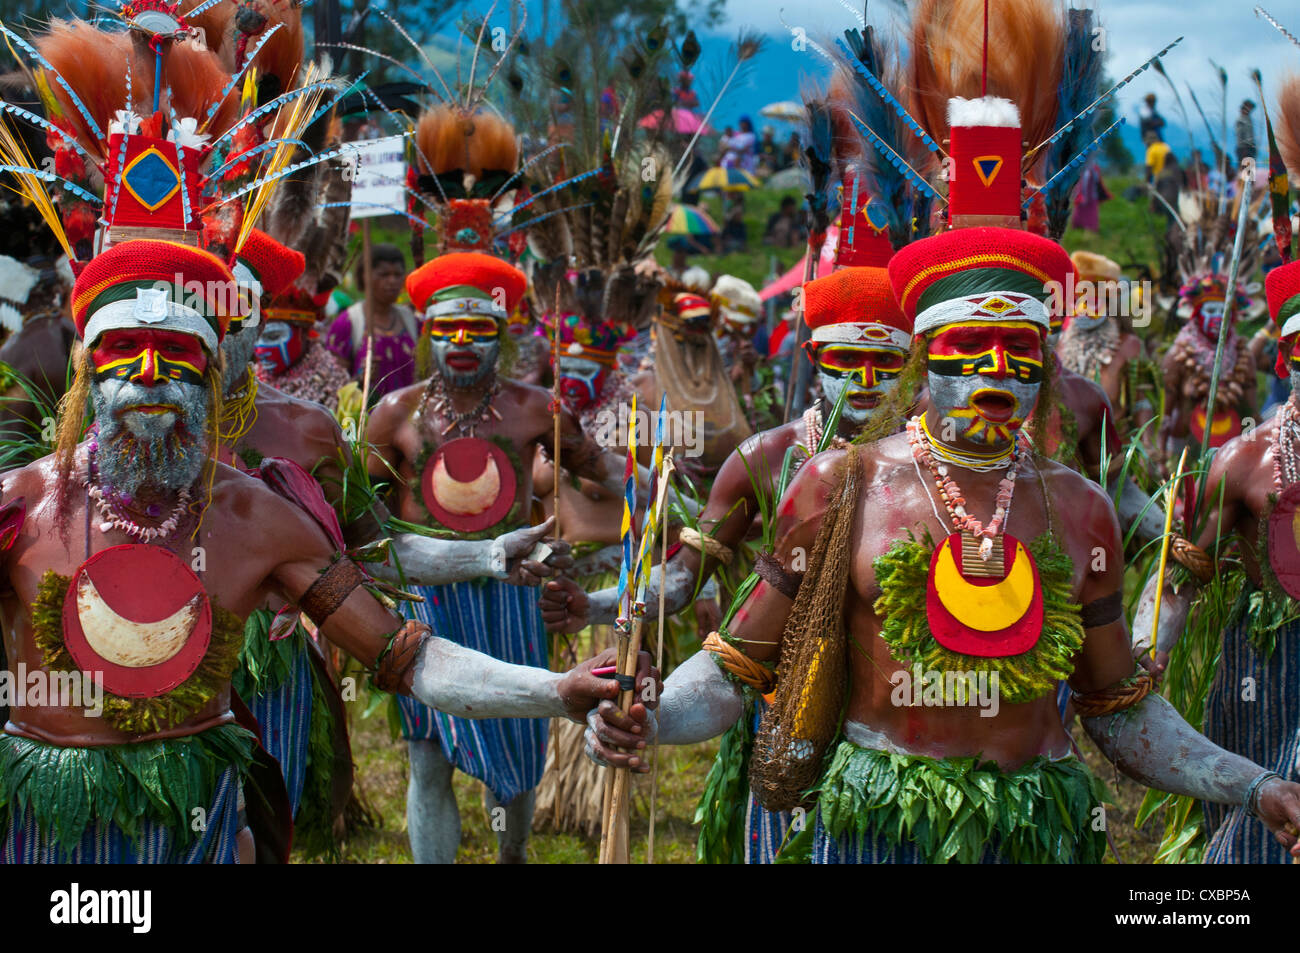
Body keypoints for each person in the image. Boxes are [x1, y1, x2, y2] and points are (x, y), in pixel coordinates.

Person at [364, 252, 629, 864]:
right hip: (424, 597)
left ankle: (512, 854)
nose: (461, 341)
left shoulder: (538, 408)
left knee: (515, 749)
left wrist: (668, 494)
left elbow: (603, 474)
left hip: (513, 594)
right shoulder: (393, 413)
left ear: (502, 336)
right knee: (427, 754)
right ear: (427, 333)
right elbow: (364, 517)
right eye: (446, 328)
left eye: (478, 328)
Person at [1134, 256, 1300, 862]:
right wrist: (1148, 644)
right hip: (1274, 663)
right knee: (1266, 822)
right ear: (1288, 358)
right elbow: (1182, 575)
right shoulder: (1245, 460)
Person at [323, 244, 418, 400]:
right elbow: (333, 389)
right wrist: (361, 378)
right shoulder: (347, 323)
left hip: (410, 419)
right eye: (384, 274)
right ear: (365, 276)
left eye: (397, 274)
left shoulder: (412, 321)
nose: (392, 281)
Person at [1235, 99, 1257, 171]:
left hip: (1249, 148)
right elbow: (1240, 135)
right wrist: (1245, 148)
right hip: (1244, 148)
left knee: (1250, 172)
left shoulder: (1248, 118)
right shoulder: (1241, 120)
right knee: (1245, 171)